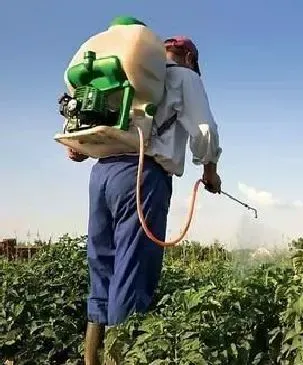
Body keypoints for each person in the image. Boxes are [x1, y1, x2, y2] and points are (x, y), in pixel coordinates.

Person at [66, 35, 222, 364]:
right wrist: (210, 172)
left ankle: (92, 357)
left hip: (102, 174)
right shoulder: (183, 76)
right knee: (132, 272)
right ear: (191, 58)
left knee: (102, 266)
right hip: (142, 174)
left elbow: (76, 145)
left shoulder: (126, 73)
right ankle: (120, 358)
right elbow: (204, 130)